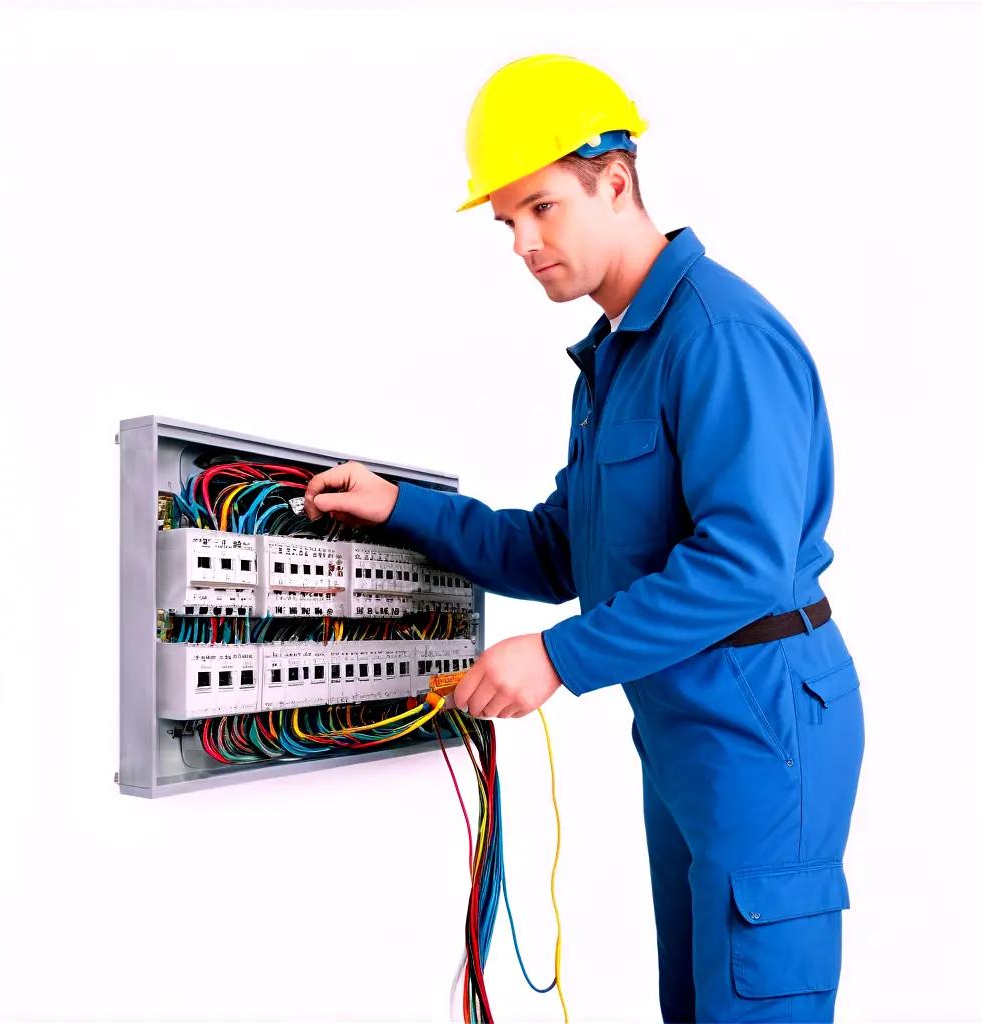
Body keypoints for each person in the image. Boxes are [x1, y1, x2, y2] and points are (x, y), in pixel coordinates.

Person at [305, 53, 865, 1024]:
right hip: (685, 729)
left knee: (754, 1006)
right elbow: (563, 549)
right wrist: (400, 508)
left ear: (615, 180)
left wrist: (558, 656)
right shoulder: (616, 358)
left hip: (763, 728)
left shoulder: (717, 337)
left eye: (541, 208)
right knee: (697, 1003)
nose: (522, 242)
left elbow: (746, 560)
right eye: (506, 222)